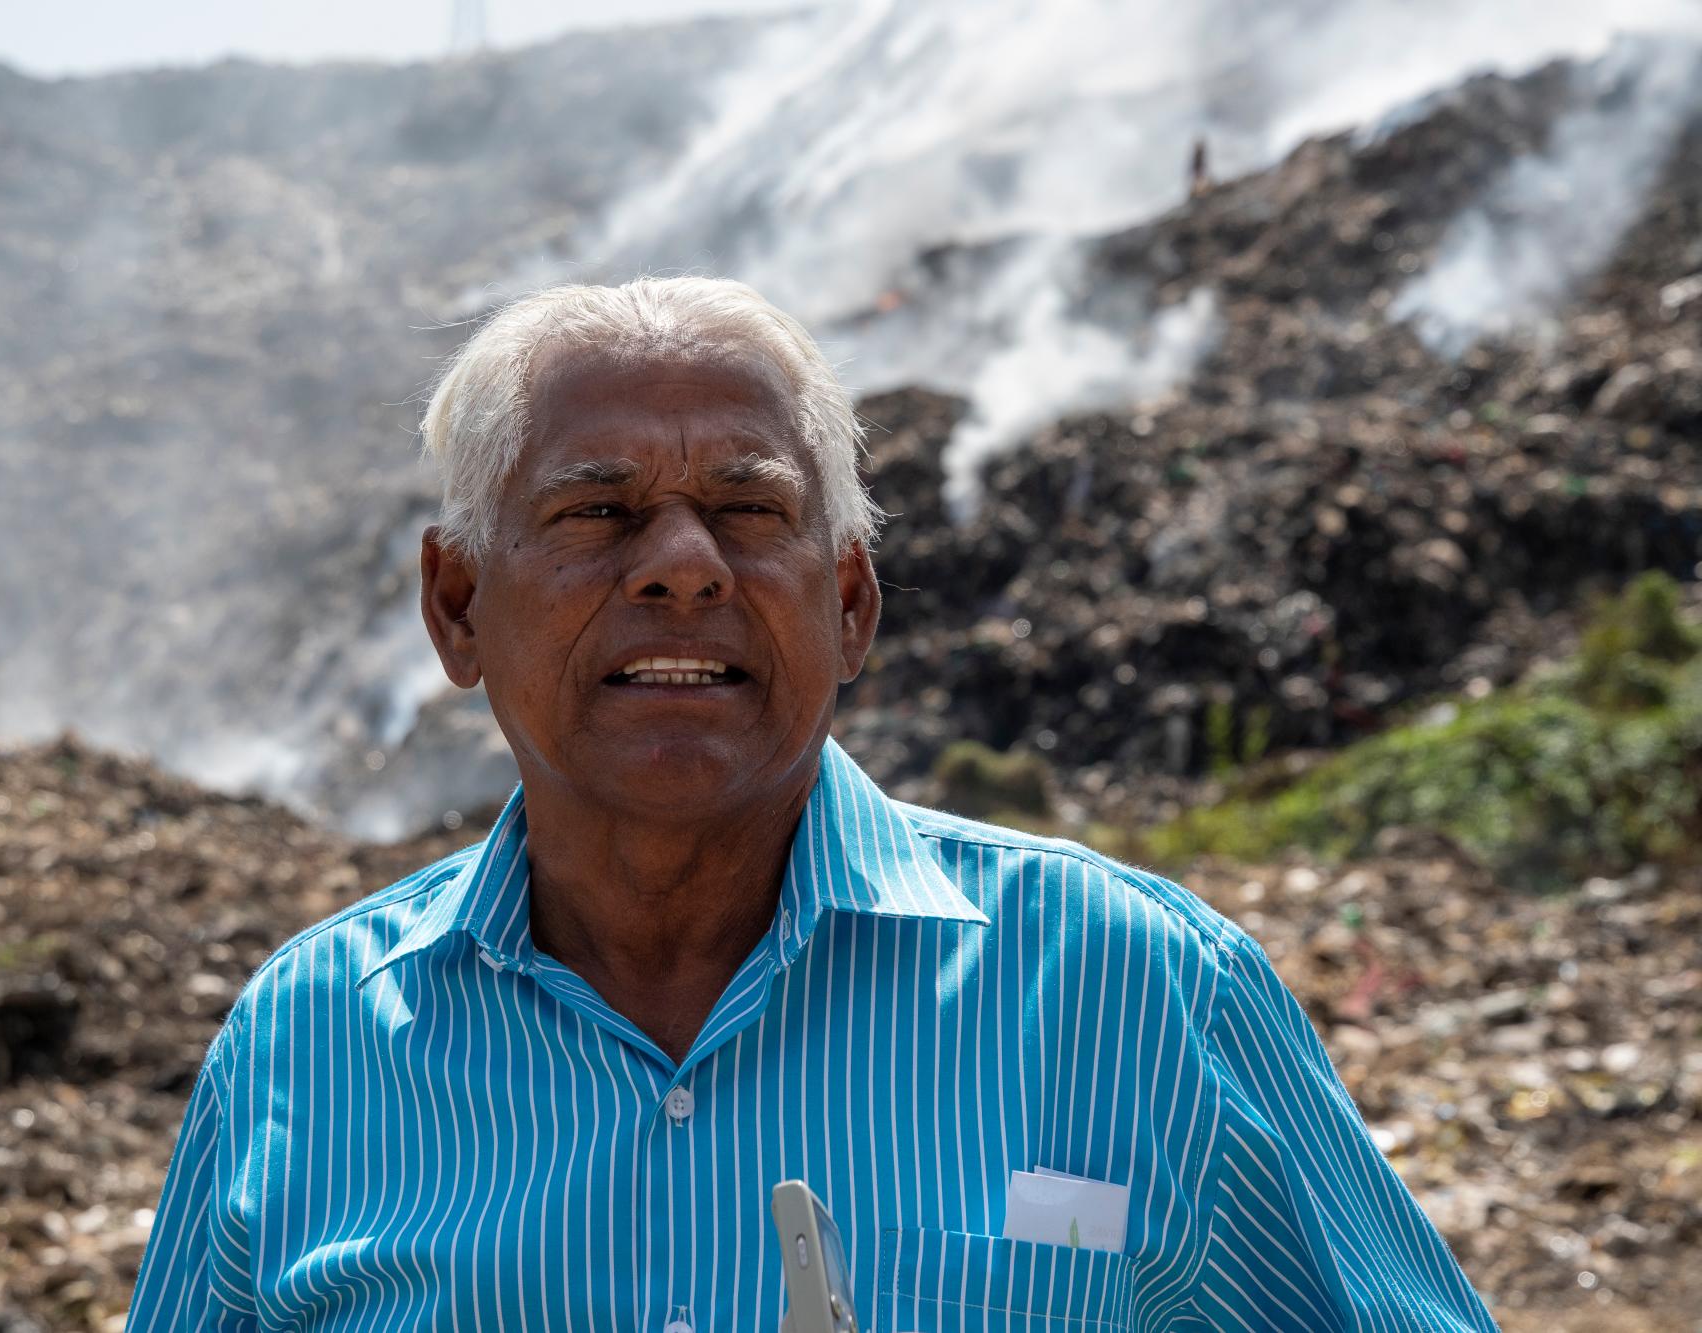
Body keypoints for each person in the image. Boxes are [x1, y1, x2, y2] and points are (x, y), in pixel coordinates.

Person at [124, 277, 1498, 1332]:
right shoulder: (305, 1044)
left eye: (748, 506)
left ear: (848, 605)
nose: (681, 566)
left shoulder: (1137, 991)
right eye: (598, 513)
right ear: (458, 604)